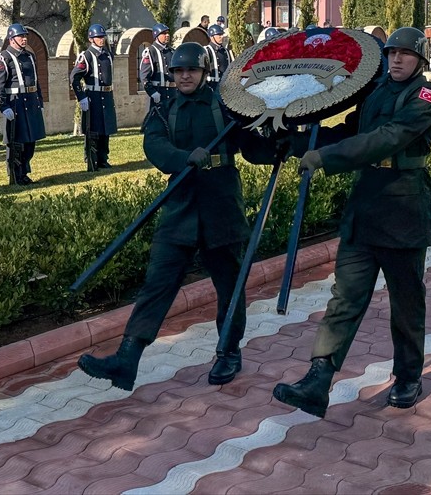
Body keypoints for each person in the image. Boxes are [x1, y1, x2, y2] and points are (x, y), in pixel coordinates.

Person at [78, 42, 282, 390]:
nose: (184, 76)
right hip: (181, 209)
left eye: (191, 70)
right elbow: (154, 145)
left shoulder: (227, 107)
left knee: (230, 288)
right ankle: (127, 359)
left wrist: (280, 141)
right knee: (158, 284)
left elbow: (254, 149)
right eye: (178, 71)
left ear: (204, 72)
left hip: (221, 207)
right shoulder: (164, 109)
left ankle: (228, 353)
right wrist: (184, 158)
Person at [273, 27, 431, 418]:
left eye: (405, 54)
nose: (397, 59)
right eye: (392, 53)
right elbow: (350, 131)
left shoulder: (426, 97)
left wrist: (327, 159)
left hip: (403, 209)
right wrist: (301, 140)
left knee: (406, 304)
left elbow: (387, 137)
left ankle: (407, 376)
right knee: (344, 298)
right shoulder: (375, 91)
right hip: (365, 208)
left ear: (420, 59)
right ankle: (318, 379)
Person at [0, 24, 46, 185]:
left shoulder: (29, 56)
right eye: (20, 36)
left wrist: (40, 100)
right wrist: (4, 106)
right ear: (11, 39)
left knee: (30, 141)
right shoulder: (4, 58)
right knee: (16, 143)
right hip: (15, 105)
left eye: (25, 36)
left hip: (31, 102)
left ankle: (24, 172)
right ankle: (16, 174)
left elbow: (36, 81)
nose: (24, 39)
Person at [71, 23, 117, 171]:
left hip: (107, 94)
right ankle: (92, 158)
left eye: (102, 37)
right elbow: (74, 77)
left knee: (105, 129)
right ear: (91, 39)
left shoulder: (107, 55)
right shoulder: (87, 56)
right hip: (93, 96)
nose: (101, 40)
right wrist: (81, 97)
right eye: (98, 37)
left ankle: (103, 158)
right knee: (93, 130)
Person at [138, 23, 174, 105]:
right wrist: (152, 92)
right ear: (156, 36)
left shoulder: (172, 51)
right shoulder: (151, 51)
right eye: (164, 33)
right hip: (159, 92)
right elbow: (144, 76)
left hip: (173, 94)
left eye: (168, 33)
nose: (167, 35)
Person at [205, 23, 232, 88]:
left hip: (225, 87)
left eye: (222, 34)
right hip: (211, 87)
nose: (222, 36)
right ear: (212, 37)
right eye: (219, 35)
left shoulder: (226, 51)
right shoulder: (206, 50)